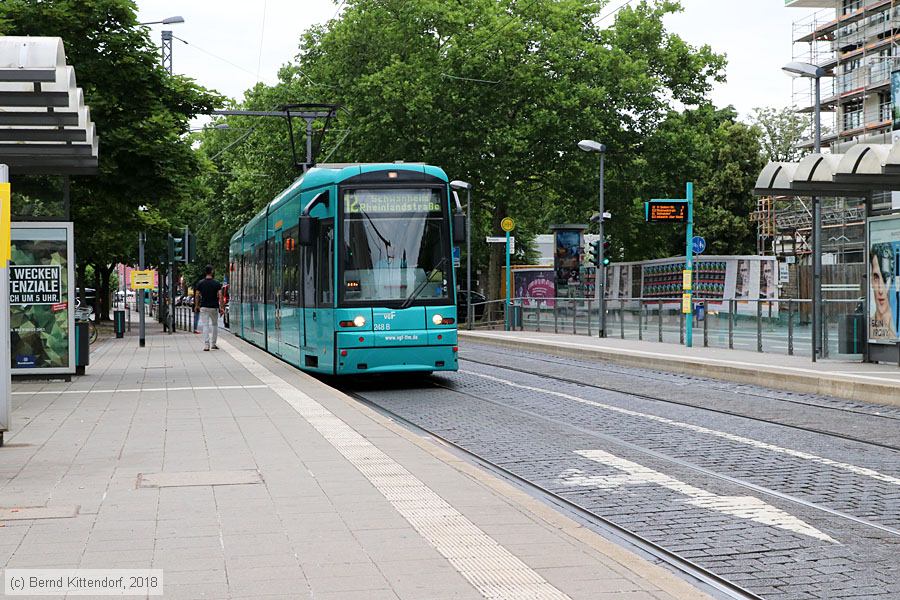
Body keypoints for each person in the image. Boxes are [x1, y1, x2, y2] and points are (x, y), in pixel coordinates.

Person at [195, 265, 224, 351]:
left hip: (204, 307)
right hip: (214, 307)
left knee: (205, 325)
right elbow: (220, 295)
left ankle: (206, 345)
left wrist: (196, 305)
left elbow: (197, 295)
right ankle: (213, 344)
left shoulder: (200, 283)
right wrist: (221, 307)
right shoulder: (216, 283)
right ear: (211, 271)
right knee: (214, 325)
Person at [870, 244, 896, 341]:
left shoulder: (895, 332)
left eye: (885, 279)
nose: (881, 291)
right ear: (871, 280)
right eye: (876, 277)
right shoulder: (868, 326)